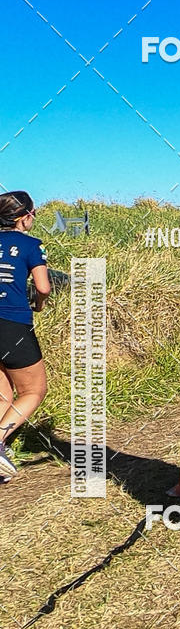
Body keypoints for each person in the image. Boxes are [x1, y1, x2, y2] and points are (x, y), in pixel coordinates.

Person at [0, 191, 50, 479]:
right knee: (33, 391)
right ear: (24, 216)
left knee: (4, 395)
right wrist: (39, 305)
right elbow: (43, 287)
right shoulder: (31, 245)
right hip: (14, 324)